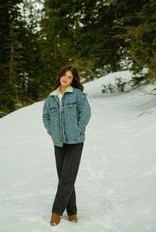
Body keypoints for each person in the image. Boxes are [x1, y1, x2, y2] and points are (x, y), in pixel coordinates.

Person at [42, 65, 91, 226]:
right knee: (64, 178)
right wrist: (52, 132)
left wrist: (78, 129)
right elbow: (46, 117)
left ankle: (56, 212)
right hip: (59, 143)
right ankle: (72, 212)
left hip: (75, 141)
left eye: (69, 77)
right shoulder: (50, 98)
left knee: (67, 177)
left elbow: (86, 113)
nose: (66, 78)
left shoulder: (77, 95)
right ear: (60, 76)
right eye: (64, 75)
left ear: (73, 80)